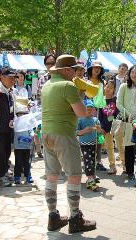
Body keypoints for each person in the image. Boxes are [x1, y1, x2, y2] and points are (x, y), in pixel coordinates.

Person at [41, 54, 96, 233]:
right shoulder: (68, 85)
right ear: (65, 70)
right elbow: (80, 112)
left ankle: (53, 217)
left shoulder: (47, 85)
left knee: (52, 176)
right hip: (64, 134)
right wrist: (86, 104)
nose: (75, 73)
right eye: (73, 69)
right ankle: (75, 218)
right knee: (74, 176)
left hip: (47, 133)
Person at [116, 65, 136, 180]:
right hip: (127, 121)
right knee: (129, 146)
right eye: (132, 72)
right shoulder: (123, 86)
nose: (134, 74)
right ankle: (129, 171)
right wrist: (128, 114)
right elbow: (118, 103)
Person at [77, 99, 101, 191]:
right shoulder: (80, 120)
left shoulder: (95, 119)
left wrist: (99, 129)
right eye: (88, 108)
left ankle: (91, 178)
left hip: (94, 143)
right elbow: (76, 132)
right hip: (84, 144)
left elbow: (101, 132)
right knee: (88, 160)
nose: (90, 110)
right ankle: (90, 178)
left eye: (91, 108)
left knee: (92, 160)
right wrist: (83, 131)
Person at [87, 61, 107, 171]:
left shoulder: (102, 82)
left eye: (99, 68)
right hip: (88, 111)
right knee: (89, 135)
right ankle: (89, 159)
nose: (97, 70)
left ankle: (98, 161)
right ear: (91, 69)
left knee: (99, 136)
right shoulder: (86, 81)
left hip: (99, 111)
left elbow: (103, 97)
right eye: (95, 68)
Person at [98, 78, 119, 174]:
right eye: (107, 86)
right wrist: (102, 127)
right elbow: (100, 116)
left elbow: (117, 114)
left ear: (114, 90)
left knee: (120, 146)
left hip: (115, 127)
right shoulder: (101, 100)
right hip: (105, 129)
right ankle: (112, 166)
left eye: (111, 87)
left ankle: (124, 163)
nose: (108, 89)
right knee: (109, 146)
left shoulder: (115, 100)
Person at [13, 98, 34, 185]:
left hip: (27, 145)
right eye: (20, 114)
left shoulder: (28, 123)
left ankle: (28, 176)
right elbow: (12, 128)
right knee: (18, 162)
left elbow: (31, 131)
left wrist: (32, 134)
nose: (22, 116)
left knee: (27, 162)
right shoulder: (15, 123)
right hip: (18, 146)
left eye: (24, 114)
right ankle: (17, 177)